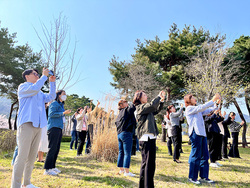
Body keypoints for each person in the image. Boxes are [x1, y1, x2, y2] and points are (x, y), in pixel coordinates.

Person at [11, 68, 56, 188]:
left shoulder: (40, 93)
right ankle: (15, 185)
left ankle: (26, 183)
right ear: (27, 76)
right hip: (26, 124)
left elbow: (51, 96)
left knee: (31, 157)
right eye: (34, 74)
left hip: (38, 126)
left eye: (38, 74)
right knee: (22, 156)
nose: (37, 76)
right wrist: (44, 76)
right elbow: (35, 88)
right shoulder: (23, 87)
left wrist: (52, 82)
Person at [184, 93, 220, 185]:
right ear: (188, 100)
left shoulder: (197, 110)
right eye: (192, 98)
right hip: (195, 133)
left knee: (205, 155)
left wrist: (216, 104)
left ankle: (204, 176)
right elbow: (202, 107)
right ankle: (192, 177)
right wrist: (212, 100)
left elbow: (207, 110)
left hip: (202, 134)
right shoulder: (189, 108)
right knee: (196, 155)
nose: (195, 99)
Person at [133, 90, 165, 188]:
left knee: (146, 163)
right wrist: (158, 97)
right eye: (145, 95)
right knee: (149, 164)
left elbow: (155, 110)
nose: (147, 96)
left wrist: (162, 102)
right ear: (139, 98)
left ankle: (143, 185)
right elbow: (152, 106)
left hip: (149, 138)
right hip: (146, 138)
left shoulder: (145, 109)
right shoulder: (139, 108)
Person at [44, 90, 71, 175]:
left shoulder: (61, 105)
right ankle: (47, 169)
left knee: (56, 148)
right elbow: (51, 114)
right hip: (53, 127)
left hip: (59, 127)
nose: (65, 95)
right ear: (59, 95)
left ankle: (52, 167)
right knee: (52, 148)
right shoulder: (54, 103)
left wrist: (63, 112)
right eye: (63, 94)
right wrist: (63, 113)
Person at [115, 99, 137, 177]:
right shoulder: (126, 110)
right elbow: (132, 108)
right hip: (126, 133)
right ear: (121, 105)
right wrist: (135, 101)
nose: (127, 103)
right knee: (127, 153)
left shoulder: (119, 113)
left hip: (119, 134)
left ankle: (121, 170)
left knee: (121, 152)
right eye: (125, 102)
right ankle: (127, 172)